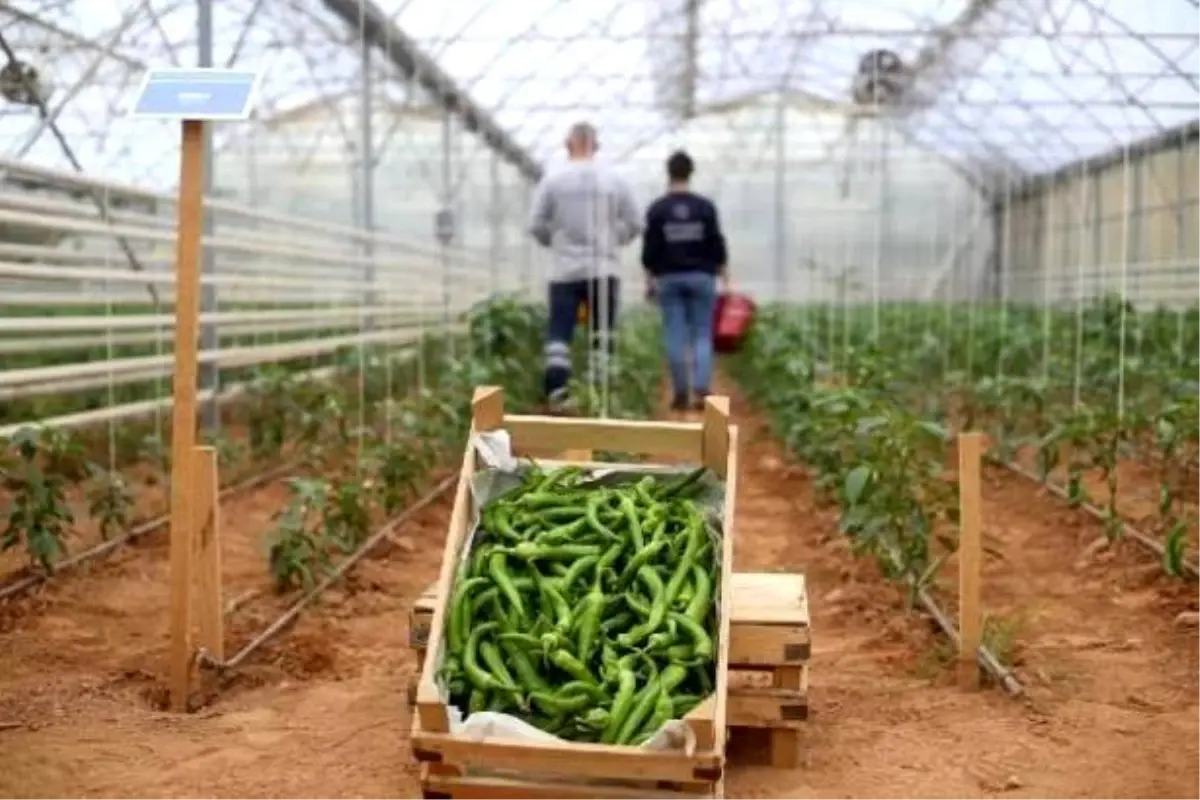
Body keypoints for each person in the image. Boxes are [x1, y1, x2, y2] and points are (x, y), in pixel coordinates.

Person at [527, 122, 643, 413]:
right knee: (601, 333)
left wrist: (555, 242)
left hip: (565, 270)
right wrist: (613, 240)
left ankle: (557, 393)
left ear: (568, 145)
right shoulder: (613, 180)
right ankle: (597, 397)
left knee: (559, 334)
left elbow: (536, 224)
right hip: (604, 269)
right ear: (596, 146)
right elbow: (635, 223)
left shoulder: (552, 181)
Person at [641, 150, 730, 412]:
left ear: (668, 173)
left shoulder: (658, 209)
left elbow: (650, 250)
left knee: (675, 334)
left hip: (669, 278)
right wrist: (724, 277)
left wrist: (650, 280)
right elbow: (717, 244)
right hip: (702, 278)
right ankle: (701, 388)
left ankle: (680, 392)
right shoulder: (705, 207)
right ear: (691, 172)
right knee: (702, 333)